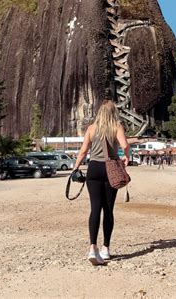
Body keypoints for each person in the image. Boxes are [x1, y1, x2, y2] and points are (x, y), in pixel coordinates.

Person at [73, 100, 130, 266]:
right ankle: (105, 248)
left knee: (95, 209)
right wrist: (126, 156)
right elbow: (125, 145)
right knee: (108, 210)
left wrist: (76, 167)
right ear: (113, 112)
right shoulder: (116, 126)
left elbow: (83, 151)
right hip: (110, 169)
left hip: (94, 170)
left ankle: (92, 248)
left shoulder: (91, 128)